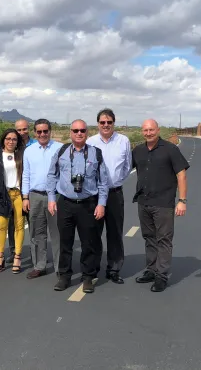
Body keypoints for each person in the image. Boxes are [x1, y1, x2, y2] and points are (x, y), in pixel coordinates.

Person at [47, 120, 108, 293]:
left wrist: (101, 204)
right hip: (65, 203)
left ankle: (88, 276)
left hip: (88, 204)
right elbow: (52, 175)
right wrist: (52, 198)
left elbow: (103, 182)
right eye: (76, 130)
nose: (79, 133)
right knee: (65, 242)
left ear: (87, 133)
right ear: (70, 132)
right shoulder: (62, 152)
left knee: (88, 242)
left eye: (82, 130)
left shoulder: (96, 153)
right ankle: (64, 276)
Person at [132, 119, 189, 292]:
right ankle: (151, 270)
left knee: (163, 239)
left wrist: (182, 200)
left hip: (163, 203)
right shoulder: (138, 150)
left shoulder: (171, 149)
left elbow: (181, 175)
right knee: (149, 237)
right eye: (145, 130)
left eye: (151, 130)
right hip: (144, 202)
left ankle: (161, 276)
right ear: (142, 132)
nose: (148, 133)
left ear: (158, 130)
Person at [87, 109, 132, 284]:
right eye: (102, 122)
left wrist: (117, 181)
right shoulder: (91, 142)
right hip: (94, 195)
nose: (106, 125)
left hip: (114, 194)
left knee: (114, 233)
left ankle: (114, 269)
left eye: (109, 122)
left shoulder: (123, 141)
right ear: (98, 124)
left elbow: (128, 166)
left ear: (114, 123)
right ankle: (93, 268)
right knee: (93, 233)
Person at [22, 119, 62, 279]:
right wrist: (25, 197)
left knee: (57, 233)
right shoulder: (29, 151)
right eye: (39, 132)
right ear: (34, 133)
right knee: (37, 233)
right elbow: (26, 174)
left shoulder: (60, 148)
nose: (42, 134)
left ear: (50, 131)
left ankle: (61, 266)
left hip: (56, 196)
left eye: (45, 131)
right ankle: (40, 265)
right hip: (35, 196)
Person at [0, 128, 25, 274]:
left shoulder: (21, 155)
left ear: (17, 142)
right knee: (1, 225)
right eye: (8, 139)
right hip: (3, 195)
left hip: (18, 194)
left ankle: (17, 257)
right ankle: (0, 257)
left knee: (19, 226)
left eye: (14, 139)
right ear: (3, 140)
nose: (11, 141)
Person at [6, 118, 37, 262]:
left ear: (29, 129)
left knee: (33, 224)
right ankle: (14, 251)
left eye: (24, 129)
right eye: (18, 130)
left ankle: (35, 253)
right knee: (14, 223)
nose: (22, 132)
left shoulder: (36, 145)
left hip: (31, 192)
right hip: (15, 192)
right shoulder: (11, 145)